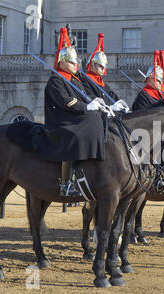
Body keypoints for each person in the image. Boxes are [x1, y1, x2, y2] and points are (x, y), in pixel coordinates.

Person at [40, 27, 106, 197]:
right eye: (71, 62)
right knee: (75, 136)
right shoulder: (56, 80)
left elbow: (84, 95)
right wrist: (86, 107)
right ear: (62, 62)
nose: (76, 66)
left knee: (96, 118)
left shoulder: (73, 79)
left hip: (74, 117)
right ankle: (66, 183)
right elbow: (66, 102)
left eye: (76, 63)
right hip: (61, 120)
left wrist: (94, 102)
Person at [80, 33, 128, 112]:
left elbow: (112, 96)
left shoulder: (102, 83)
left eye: (104, 66)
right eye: (100, 66)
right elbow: (92, 99)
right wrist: (111, 107)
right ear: (91, 65)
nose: (103, 68)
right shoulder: (85, 80)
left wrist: (120, 104)